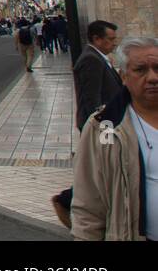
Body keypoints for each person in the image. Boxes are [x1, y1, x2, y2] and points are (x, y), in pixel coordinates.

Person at [71, 36, 158, 241]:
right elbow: (88, 201)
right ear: (124, 77)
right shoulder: (105, 126)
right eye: (141, 69)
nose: (153, 77)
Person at [52, 20, 122, 227]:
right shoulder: (91, 60)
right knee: (102, 172)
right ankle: (66, 200)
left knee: (103, 171)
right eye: (110, 39)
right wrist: (99, 131)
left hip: (107, 124)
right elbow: (91, 101)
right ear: (96, 39)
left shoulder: (99, 58)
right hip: (102, 126)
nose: (113, 43)